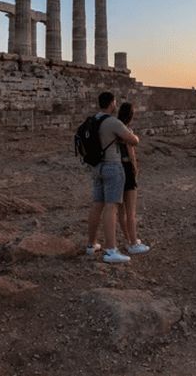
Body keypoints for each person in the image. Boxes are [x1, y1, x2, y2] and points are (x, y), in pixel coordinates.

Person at [85, 92, 140, 264]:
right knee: (111, 207)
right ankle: (111, 250)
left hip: (96, 167)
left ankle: (91, 244)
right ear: (111, 104)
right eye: (115, 102)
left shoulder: (93, 120)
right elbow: (133, 140)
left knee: (97, 205)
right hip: (112, 166)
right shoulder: (112, 122)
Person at [115, 102, 150, 255]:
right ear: (131, 116)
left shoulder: (114, 130)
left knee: (121, 210)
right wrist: (135, 169)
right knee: (131, 211)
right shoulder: (127, 131)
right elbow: (131, 152)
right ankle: (134, 244)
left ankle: (128, 239)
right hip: (127, 169)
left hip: (116, 168)